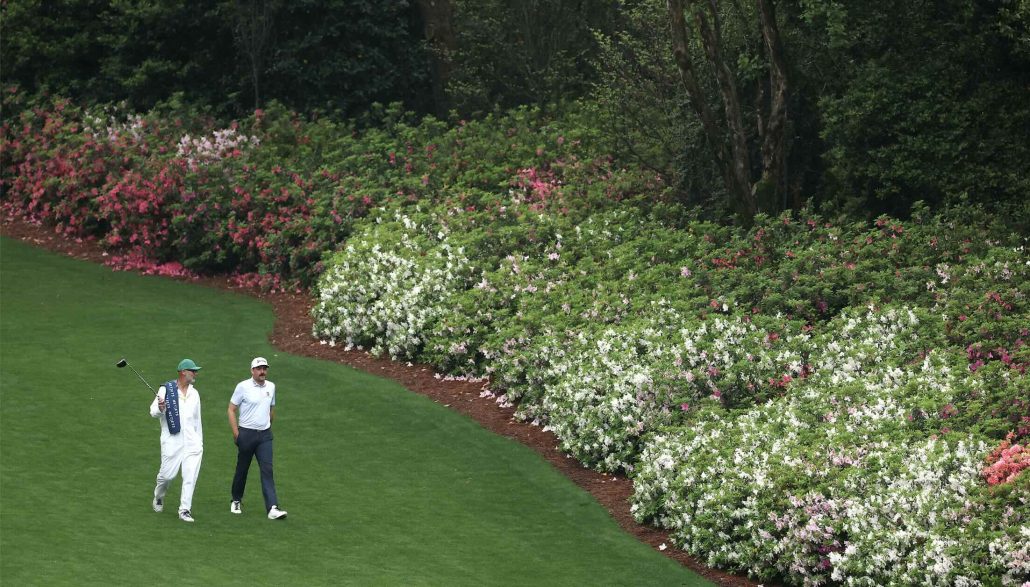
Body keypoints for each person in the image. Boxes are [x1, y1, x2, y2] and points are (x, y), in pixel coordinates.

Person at [228, 357, 287, 520]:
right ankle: (236, 499)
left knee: (267, 470)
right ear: (252, 370)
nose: (263, 372)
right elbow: (231, 409)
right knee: (242, 469)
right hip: (246, 434)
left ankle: (272, 507)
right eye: (259, 369)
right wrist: (236, 433)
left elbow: (271, 408)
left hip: (265, 436)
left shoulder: (271, 387)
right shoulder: (243, 387)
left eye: (265, 368)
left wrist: (267, 425)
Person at [150, 358, 204, 523]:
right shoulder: (166, 389)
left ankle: (185, 510)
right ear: (183, 372)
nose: (195, 373)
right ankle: (159, 496)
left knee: (190, 476)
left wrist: (199, 441)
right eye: (192, 371)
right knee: (167, 476)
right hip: (172, 440)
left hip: (192, 442)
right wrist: (160, 408)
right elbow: (153, 412)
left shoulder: (195, 393)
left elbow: (197, 420)